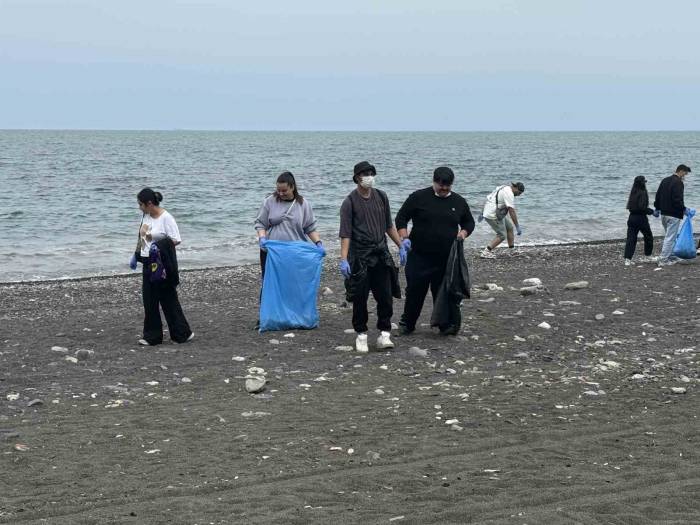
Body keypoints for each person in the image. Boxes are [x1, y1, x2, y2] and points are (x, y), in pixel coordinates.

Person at [395, 167, 475, 336]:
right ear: (434, 181)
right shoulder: (418, 197)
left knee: (443, 292)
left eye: (448, 186)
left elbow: (469, 222)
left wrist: (463, 233)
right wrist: (404, 237)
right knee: (415, 291)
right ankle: (407, 323)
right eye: (441, 185)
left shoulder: (458, 202)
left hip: (445, 258)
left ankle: (444, 324)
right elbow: (401, 217)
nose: (444, 189)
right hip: (419, 256)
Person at [339, 161, 402, 352]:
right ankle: (361, 335)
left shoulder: (381, 197)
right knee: (359, 297)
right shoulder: (349, 202)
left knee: (385, 295)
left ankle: (384, 334)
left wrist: (401, 245)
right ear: (357, 177)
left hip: (381, 253)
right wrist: (343, 259)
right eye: (364, 174)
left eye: (371, 173)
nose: (368, 176)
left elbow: (388, 226)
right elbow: (346, 233)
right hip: (359, 256)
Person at [254, 171, 325, 328]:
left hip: (295, 253)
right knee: (269, 283)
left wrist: (318, 243)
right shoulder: (270, 202)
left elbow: (310, 227)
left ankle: (295, 316)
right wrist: (262, 238)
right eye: (278, 190)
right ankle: (266, 316)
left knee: (294, 284)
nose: (281, 193)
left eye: (284, 190)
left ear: (293, 187)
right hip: (272, 253)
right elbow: (260, 223)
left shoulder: (303, 204)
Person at [133, 188, 193, 346]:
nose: (139, 208)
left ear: (150, 203)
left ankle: (182, 333)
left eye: (141, 204)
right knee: (149, 299)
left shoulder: (166, 218)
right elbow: (142, 236)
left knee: (168, 298)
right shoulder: (146, 216)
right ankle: (152, 336)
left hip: (161, 263)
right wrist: (136, 254)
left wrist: (158, 247)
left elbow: (175, 239)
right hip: (147, 262)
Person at [654, 164, 692, 266]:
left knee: (669, 236)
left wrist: (657, 207)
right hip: (674, 214)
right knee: (670, 237)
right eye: (685, 173)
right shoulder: (678, 182)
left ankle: (671, 255)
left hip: (664, 214)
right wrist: (684, 209)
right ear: (681, 171)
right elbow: (677, 199)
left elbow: (658, 195)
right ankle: (663, 260)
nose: (685, 175)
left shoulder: (665, 180)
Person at [479, 182, 525, 258]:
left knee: (509, 227)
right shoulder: (509, 194)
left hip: (495, 212)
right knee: (502, 235)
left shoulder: (504, 187)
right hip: (492, 214)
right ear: (515, 188)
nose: (519, 195)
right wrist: (517, 226)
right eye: (519, 192)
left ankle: (511, 250)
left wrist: (482, 212)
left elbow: (489, 198)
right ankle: (486, 252)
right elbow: (511, 211)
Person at [624, 176, 657, 266]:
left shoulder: (633, 192)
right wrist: (652, 212)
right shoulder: (643, 192)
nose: (645, 184)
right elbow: (642, 208)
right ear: (642, 183)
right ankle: (648, 256)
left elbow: (631, 207)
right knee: (648, 237)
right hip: (641, 218)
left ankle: (627, 259)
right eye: (644, 182)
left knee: (631, 239)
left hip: (631, 218)